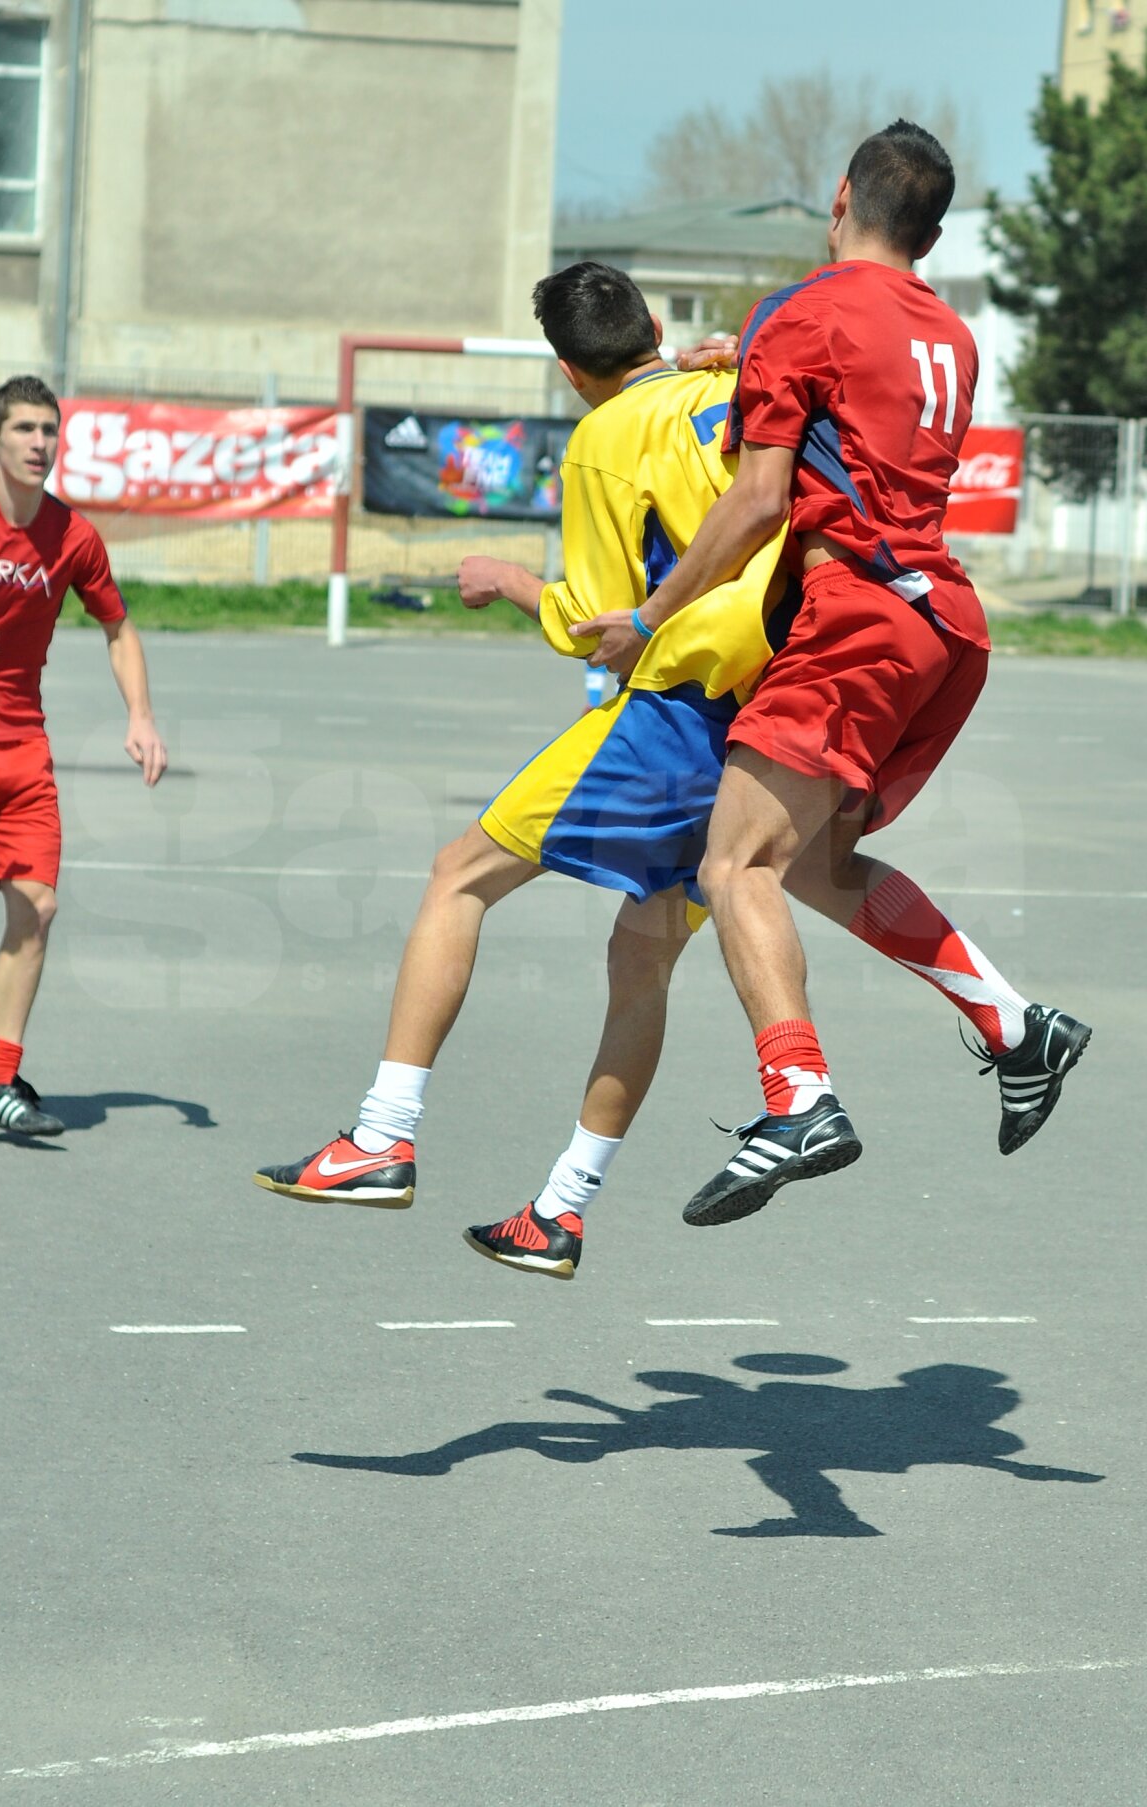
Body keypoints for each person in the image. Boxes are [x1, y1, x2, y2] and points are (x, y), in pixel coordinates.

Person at [576, 122, 1091, 1229]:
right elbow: (848, 415)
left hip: (856, 617)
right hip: (944, 627)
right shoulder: (950, 333)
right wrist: (746, 359)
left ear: (840, 196)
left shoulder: (806, 311)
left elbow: (763, 494)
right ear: (934, 233)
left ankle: (798, 1098)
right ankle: (1015, 1024)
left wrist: (651, 616)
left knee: (733, 864)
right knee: (814, 862)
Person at [253, 260, 794, 1278]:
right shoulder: (732, 390)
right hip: (763, 723)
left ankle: (381, 1136)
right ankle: (560, 1209)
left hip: (675, 711)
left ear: (567, 369)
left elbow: (598, 629)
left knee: (458, 876)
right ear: (650, 326)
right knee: (643, 957)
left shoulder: (602, 437)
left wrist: (508, 582)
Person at [0, 374, 167, 1137]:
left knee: (36, 908)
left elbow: (119, 628)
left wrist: (139, 714)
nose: (40, 444)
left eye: (50, 431)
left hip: (21, 753)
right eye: (25, 431)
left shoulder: (72, 536)